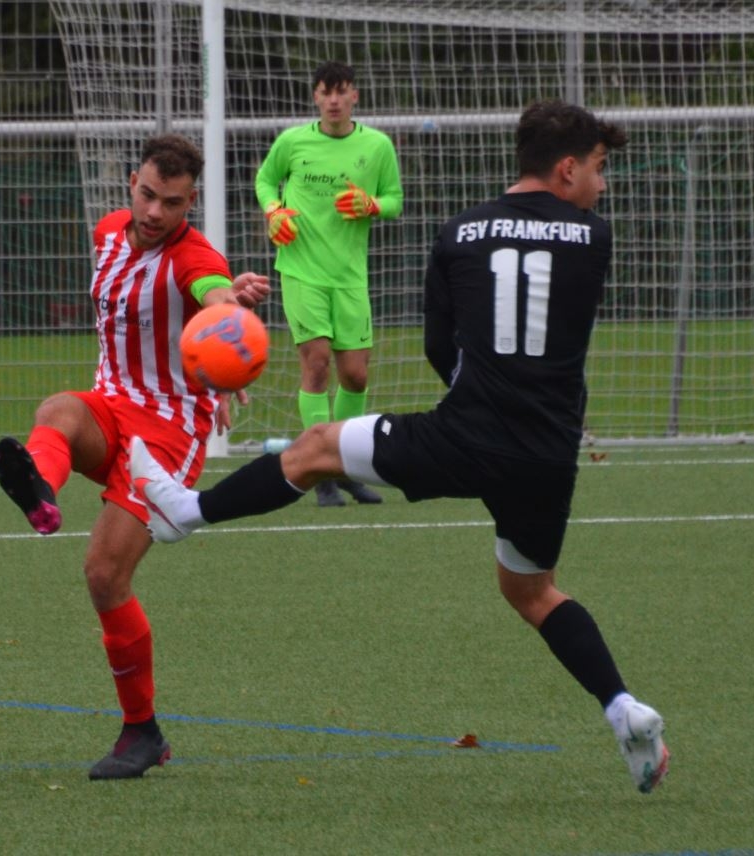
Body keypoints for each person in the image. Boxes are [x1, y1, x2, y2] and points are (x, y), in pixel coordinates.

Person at [130, 101, 670, 794]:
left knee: (317, 446)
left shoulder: (459, 232)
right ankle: (622, 709)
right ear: (566, 169)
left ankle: (187, 512)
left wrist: (473, 407)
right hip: (547, 453)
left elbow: (439, 345)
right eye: (597, 167)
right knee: (532, 591)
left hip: (463, 435)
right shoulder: (595, 237)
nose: (601, 182)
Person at [0, 133, 270, 780]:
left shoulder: (194, 255)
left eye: (170, 203)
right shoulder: (108, 233)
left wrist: (229, 320)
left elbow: (212, 292)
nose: (153, 212)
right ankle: (39, 492)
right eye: (147, 195)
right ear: (131, 185)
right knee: (58, 409)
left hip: (167, 433)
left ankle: (142, 731)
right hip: (113, 408)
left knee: (103, 575)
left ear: (189, 203)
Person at [255, 60, 404, 507]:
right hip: (302, 271)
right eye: (326, 92)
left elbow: (394, 200)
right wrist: (274, 212)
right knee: (316, 365)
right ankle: (320, 472)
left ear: (354, 95)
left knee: (355, 376)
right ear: (316, 97)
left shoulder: (377, 146)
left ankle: (345, 467)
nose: (334, 100)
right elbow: (266, 181)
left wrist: (371, 204)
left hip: (349, 277)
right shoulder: (292, 142)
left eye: (341, 92)